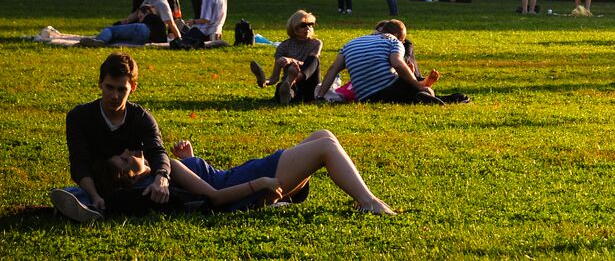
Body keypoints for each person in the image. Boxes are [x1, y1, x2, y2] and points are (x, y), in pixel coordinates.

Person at [101, 129, 394, 214]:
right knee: (326, 147)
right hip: (243, 185)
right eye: (125, 162)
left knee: (323, 133)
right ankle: (368, 202)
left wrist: (191, 159)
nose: (128, 154)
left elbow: (200, 183)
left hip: (238, 176)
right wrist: (259, 183)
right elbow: (214, 197)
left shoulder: (167, 169)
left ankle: (361, 198)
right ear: (133, 178)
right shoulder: (164, 174)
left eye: (123, 153)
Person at [51, 53, 171, 222]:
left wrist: (161, 178)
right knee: (74, 193)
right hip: (97, 182)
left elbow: (157, 151)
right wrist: (93, 195)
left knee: (149, 189)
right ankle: (91, 204)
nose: (115, 96)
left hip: (134, 181)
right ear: (100, 83)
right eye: (110, 87)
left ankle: (94, 207)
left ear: (133, 87)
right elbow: (79, 161)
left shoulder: (142, 118)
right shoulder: (79, 117)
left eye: (122, 89)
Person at [314, 19, 469, 105]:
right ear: (396, 34)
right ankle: (420, 96)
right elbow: (397, 64)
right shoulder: (392, 40)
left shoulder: (351, 43)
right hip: (388, 88)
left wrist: (320, 97)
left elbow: (333, 69)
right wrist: (417, 84)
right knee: (426, 91)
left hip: (365, 97)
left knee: (411, 94)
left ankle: (418, 97)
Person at [250, 10, 322, 105]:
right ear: (294, 28)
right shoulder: (283, 46)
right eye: (303, 25)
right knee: (284, 89)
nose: (308, 28)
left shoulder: (316, 43)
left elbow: (311, 63)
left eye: (310, 25)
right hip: (290, 86)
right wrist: (265, 82)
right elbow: (274, 78)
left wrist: (291, 61)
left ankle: (292, 80)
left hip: (309, 85)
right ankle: (287, 94)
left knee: (314, 59)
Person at [80, 0, 182, 46]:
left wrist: (179, 38)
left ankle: (100, 41)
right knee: (117, 37)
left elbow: (170, 23)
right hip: (143, 33)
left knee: (110, 29)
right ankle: (98, 40)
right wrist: (125, 21)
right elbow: (136, 13)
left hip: (145, 29)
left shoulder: (161, 3)